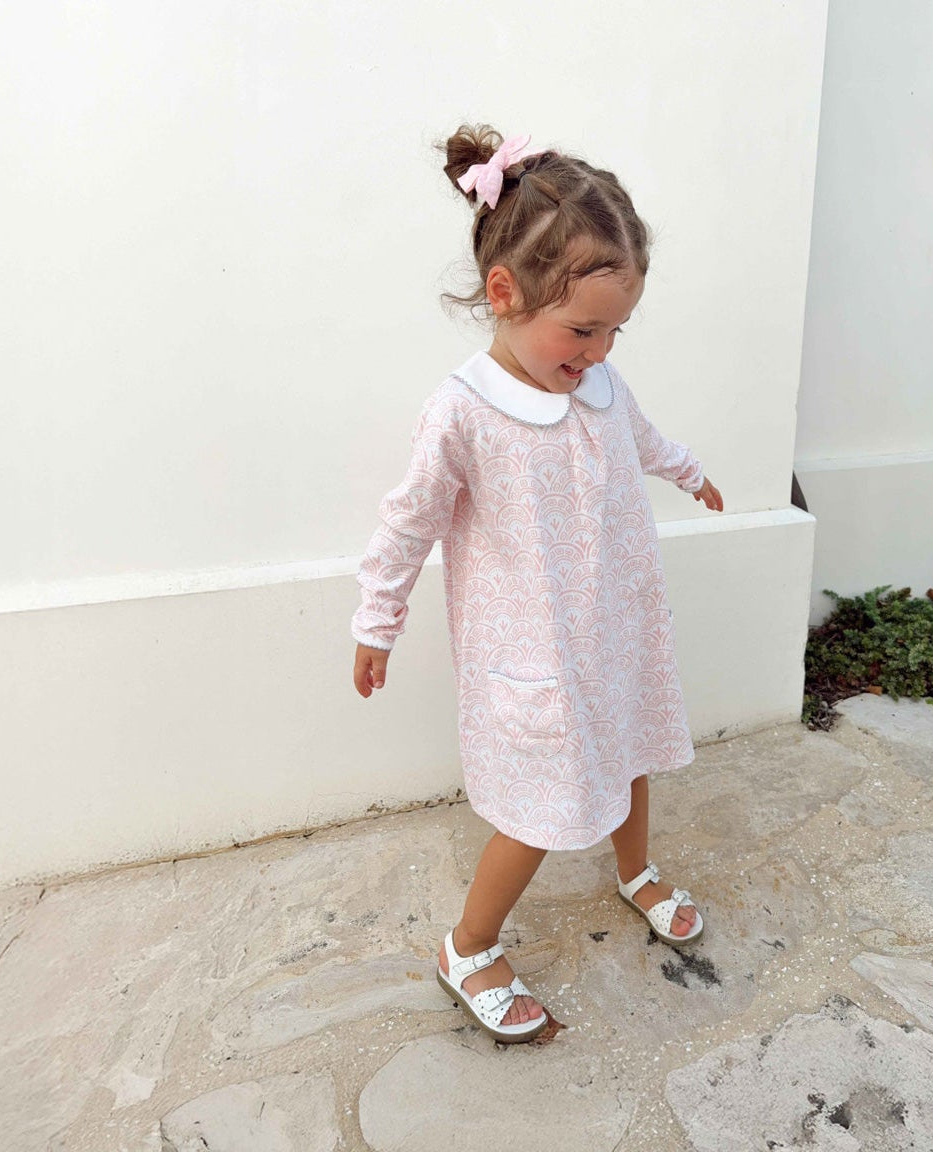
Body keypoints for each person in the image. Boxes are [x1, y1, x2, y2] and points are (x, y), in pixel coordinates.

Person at [349, 124, 724, 1043]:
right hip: (535, 655)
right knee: (537, 808)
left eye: (613, 330)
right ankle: (470, 945)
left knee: (631, 751)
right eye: (582, 328)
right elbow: (409, 521)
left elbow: (641, 439)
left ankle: (633, 869)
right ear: (505, 293)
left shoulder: (599, 386)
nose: (598, 349)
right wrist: (376, 617)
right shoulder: (464, 413)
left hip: (616, 627)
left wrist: (686, 472)